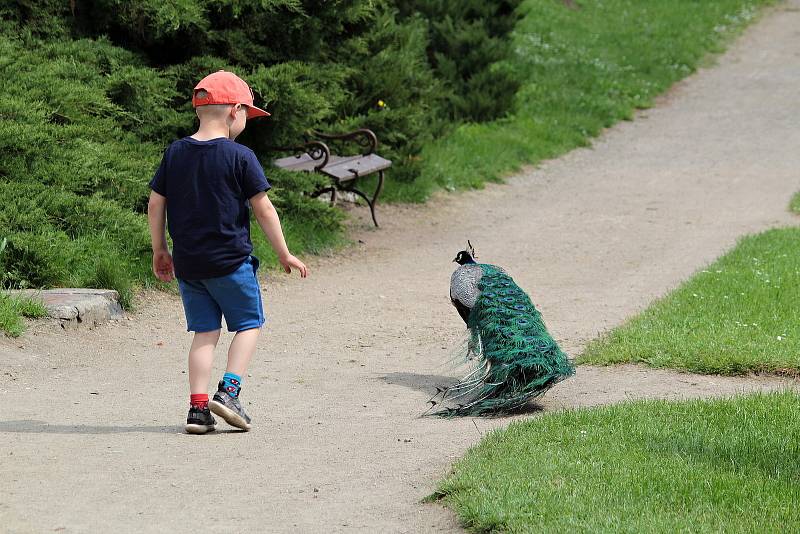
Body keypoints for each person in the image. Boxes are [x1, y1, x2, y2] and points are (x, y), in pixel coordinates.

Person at [147, 70, 308, 434]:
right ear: (235, 111)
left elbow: (156, 204)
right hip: (231, 263)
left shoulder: (175, 153)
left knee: (204, 333)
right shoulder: (241, 156)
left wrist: (160, 248)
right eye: (248, 116)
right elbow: (264, 210)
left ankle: (198, 410)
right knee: (249, 325)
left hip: (189, 265)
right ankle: (229, 393)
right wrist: (284, 253)